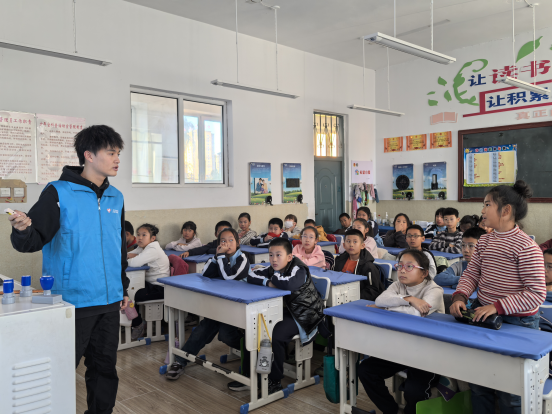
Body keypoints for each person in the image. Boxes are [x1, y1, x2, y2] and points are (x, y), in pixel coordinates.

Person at [8, 125, 129, 414]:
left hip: (109, 300)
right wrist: (22, 230)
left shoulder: (116, 196)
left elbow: (119, 248)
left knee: (105, 370)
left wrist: (123, 288)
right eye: (111, 152)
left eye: (118, 153)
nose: (117, 159)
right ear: (89, 155)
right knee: (60, 369)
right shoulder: (58, 193)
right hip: (72, 301)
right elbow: (33, 240)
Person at [450, 180, 546, 414]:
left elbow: (536, 294)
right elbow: (472, 273)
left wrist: (497, 306)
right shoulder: (484, 241)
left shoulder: (527, 247)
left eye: (487, 204)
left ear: (506, 211)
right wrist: (460, 296)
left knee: (510, 392)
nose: (482, 210)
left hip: (517, 322)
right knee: (479, 384)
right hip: (483, 314)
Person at [359, 250, 443, 414]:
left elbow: (415, 314)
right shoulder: (399, 285)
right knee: (366, 370)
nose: (402, 270)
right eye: (400, 266)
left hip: (429, 354)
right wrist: (409, 299)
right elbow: (380, 300)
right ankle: (392, 411)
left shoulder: (435, 290)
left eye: (409, 266)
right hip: (402, 348)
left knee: (413, 391)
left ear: (424, 273)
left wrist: (388, 307)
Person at [166, 228, 250, 380]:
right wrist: (217, 257)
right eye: (223, 241)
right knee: (202, 330)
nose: (227, 243)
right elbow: (205, 273)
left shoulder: (242, 259)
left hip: (238, 307)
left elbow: (229, 276)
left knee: (226, 336)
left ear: (238, 243)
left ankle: (251, 352)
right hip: (221, 304)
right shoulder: (219, 257)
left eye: (231, 240)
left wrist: (221, 257)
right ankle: (180, 361)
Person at [242, 238, 324, 394]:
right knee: (254, 328)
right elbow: (251, 275)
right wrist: (268, 282)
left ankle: (274, 381)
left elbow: (289, 284)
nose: (274, 259)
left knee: (274, 335)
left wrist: (271, 278)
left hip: (304, 314)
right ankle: (249, 375)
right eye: (271, 255)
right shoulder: (274, 268)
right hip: (287, 310)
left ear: (289, 257)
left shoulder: (298, 268)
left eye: (278, 255)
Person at [127, 224, 170, 339]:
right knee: (128, 289)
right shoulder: (143, 247)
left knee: (131, 294)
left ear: (152, 238)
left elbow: (134, 262)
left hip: (159, 288)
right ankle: (135, 321)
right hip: (149, 285)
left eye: (144, 235)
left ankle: (138, 324)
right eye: (138, 235)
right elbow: (128, 256)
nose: (140, 238)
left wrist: (130, 257)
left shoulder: (153, 249)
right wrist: (130, 256)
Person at [334, 229, 384, 300]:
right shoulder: (338, 261)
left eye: (355, 242)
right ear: (344, 245)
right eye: (348, 241)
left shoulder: (369, 267)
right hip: (339, 296)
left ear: (362, 246)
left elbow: (373, 291)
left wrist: (353, 296)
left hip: (357, 299)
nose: (351, 245)